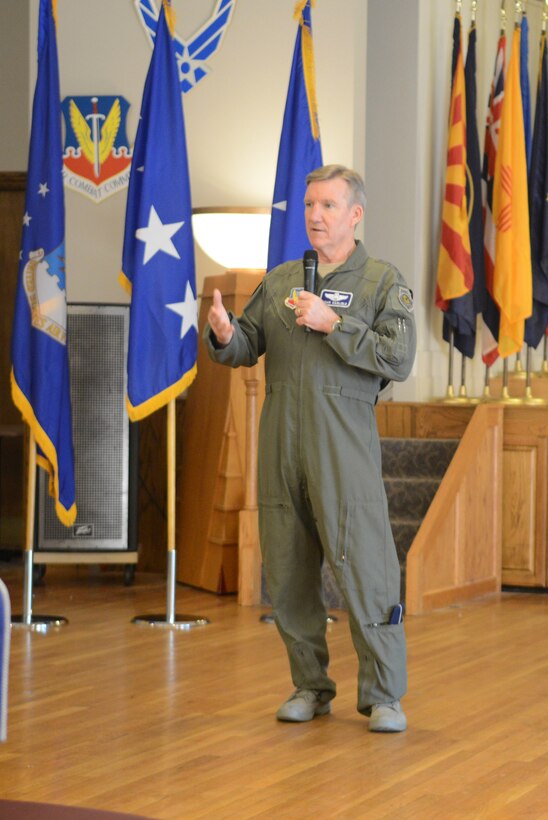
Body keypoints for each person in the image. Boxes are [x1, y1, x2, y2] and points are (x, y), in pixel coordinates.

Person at [206, 164, 417, 733]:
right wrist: (226, 336)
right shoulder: (279, 282)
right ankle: (310, 685)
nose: (315, 216)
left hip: (343, 449)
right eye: (309, 206)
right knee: (290, 572)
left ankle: (383, 696)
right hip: (281, 447)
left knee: (367, 571)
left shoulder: (381, 280)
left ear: (355, 215)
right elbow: (248, 345)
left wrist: (335, 322)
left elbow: (398, 358)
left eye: (327, 206)